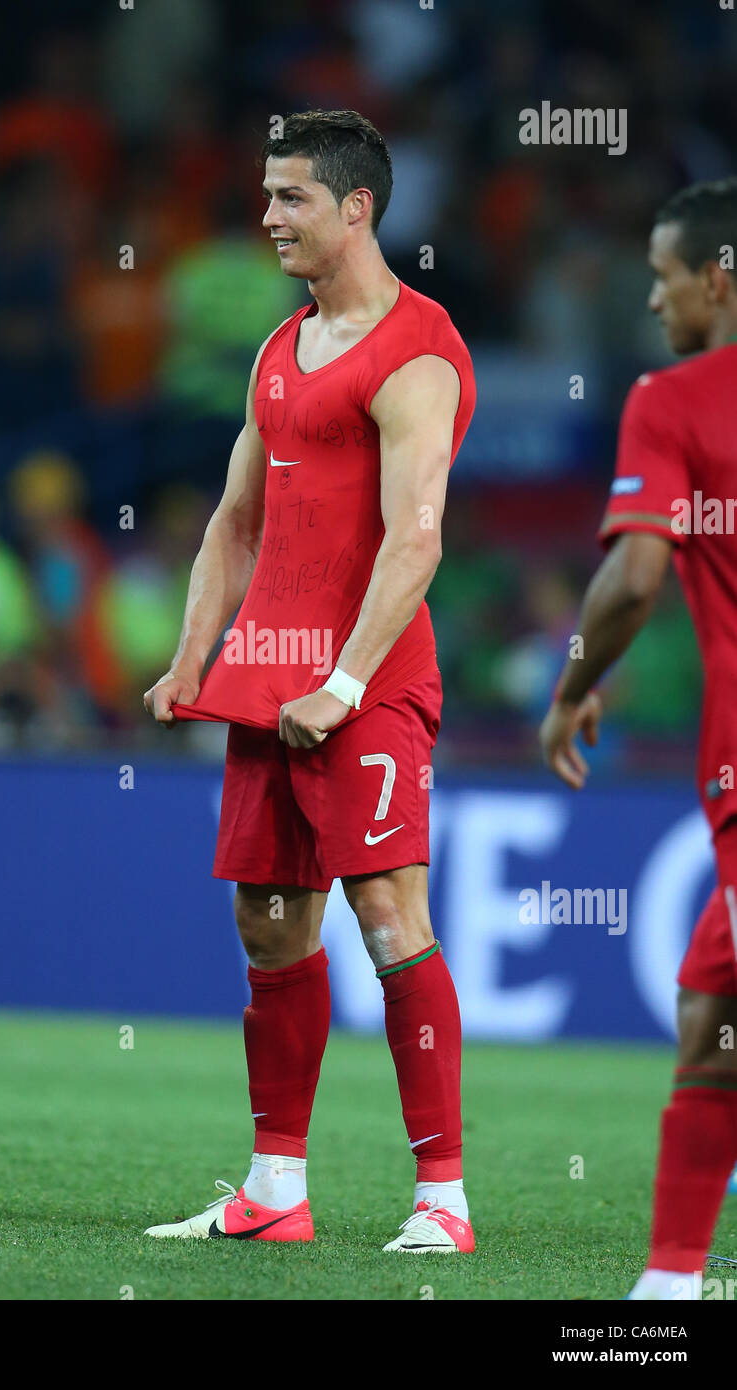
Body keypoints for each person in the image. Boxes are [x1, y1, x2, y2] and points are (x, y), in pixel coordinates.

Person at [143, 110, 476, 1250]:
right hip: (265, 685)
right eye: (268, 193)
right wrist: (194, 655)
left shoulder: (418, 352)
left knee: (389, 915)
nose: (269, 215)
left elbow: (416, 539)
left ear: (357, 208)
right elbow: (233, 522)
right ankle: (275, 1189)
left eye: (290, 197)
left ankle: (444, 1199)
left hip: (367, 684)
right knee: (272, 927)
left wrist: (341, 680)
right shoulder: (280, 352)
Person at [540, 178, 737, 1300]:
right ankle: (668, 1289)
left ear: (717, 277)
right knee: (713, 1008)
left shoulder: (673, 401)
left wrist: (571, 689)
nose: (654, 304)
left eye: (665, 280)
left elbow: (634, 577)